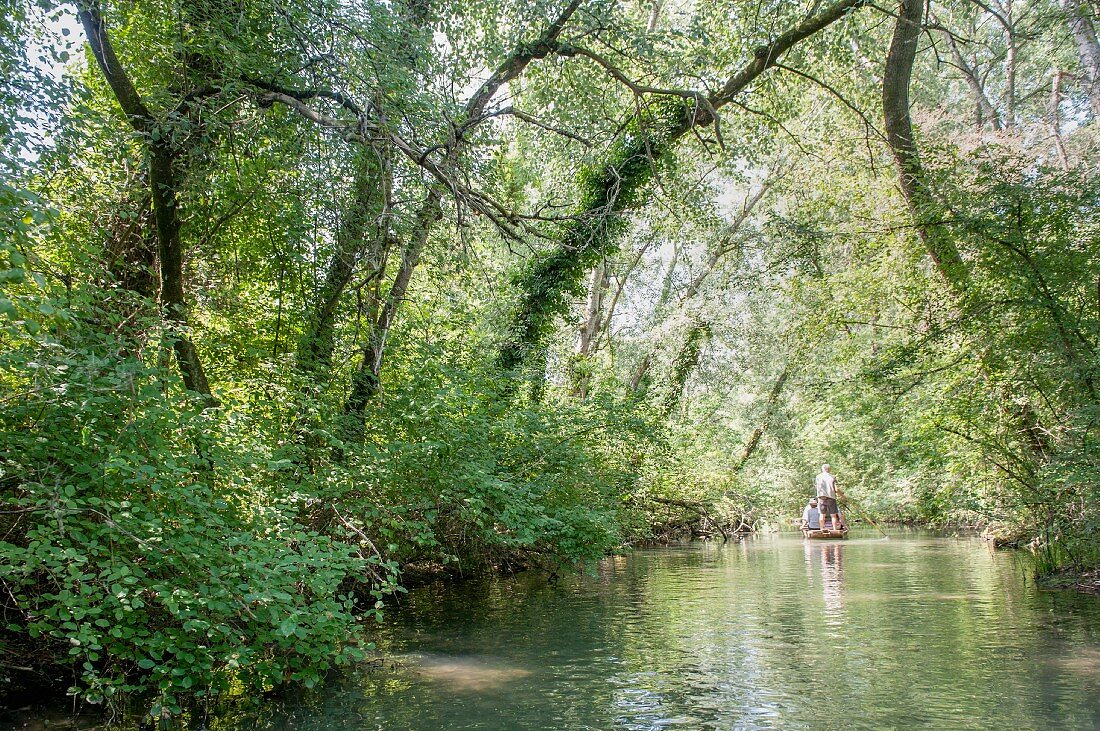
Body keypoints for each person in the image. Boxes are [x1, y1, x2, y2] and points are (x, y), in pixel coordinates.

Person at [814, 463, 844, 531]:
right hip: (831, 497)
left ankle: (822, 529)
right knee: (833, 515)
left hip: (821, 497)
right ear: (829, 469)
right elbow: (836, 489)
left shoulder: (818, 477)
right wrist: (841, 494)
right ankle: (835, 529)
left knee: (822, 515)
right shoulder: (832, 477)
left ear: (822, 469)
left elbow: (816, 487)